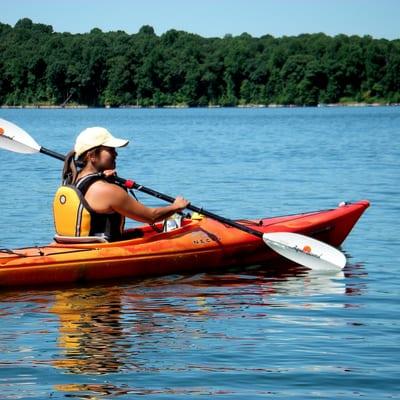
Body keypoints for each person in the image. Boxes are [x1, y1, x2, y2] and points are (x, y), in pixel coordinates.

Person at [53, 127, 189, 242]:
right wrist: (176, 207)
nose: (116, 154)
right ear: (92, 156)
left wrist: (107, 180)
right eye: (110, 150)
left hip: (76, 246)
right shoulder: (106, 190)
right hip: (101, 252)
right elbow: (150, 216)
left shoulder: (74, 181)